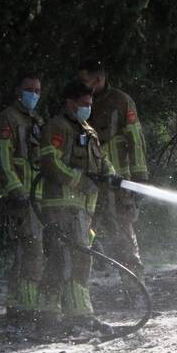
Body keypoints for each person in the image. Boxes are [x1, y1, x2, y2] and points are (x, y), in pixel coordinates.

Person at [38, 79, 118, 334]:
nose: (88, 108)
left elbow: (100, 161)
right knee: (60, 262)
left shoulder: (88, 130)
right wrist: (79, 181)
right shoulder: (57, 127)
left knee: (82, 261)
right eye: (83, 104)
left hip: (83, 209)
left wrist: (111, 174)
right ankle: (48, 316)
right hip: (60, 206)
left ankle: (80, 315)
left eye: (90, 104)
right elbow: (50, 162)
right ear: (70, 103)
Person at [77, 59, 150, 289]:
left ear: (99, 79)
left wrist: (139, 180)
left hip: (118, 185)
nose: (83, 85)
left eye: (87, 80)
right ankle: (79, 296)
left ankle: (135, 290)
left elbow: (136, 141)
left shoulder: (121, 101)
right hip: (87, 183)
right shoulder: (78, 102)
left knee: (124, 239)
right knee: (82, 236)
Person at [0, 73, 45, 322]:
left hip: (37, 196)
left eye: (37, 90)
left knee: (34, 249)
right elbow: (2, 159)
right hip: (20, 196)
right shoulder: (7, 119)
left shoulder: (37, 121)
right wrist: (15, 190)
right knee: (29, 249)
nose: (33, 94)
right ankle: (22, 306)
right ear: (18, 91)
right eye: (29, 89)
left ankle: (23, 303)